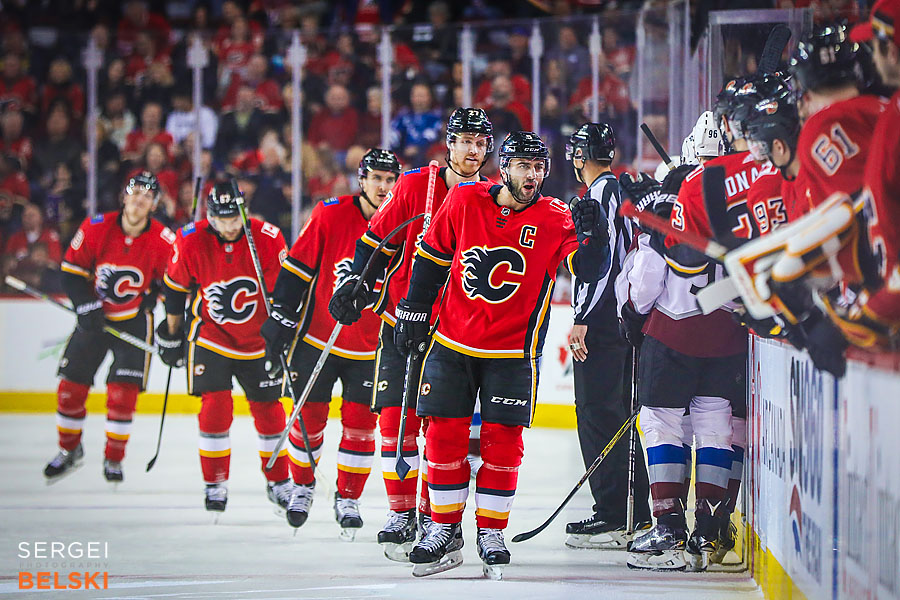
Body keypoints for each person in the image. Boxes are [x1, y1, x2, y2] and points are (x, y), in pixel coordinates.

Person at [395, 131, 610, 579]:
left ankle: (491, 531)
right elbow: (432, 257)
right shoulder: (465, 199)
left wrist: (595, 238)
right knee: (443, 437)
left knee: (503, 444)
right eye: (524, 167)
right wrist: (413, 310)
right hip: (451, 343)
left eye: (539, 168)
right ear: (504, 166)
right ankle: (442, 528)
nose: (532, 176)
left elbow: (584, 269)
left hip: (513, 353)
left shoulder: (557, 217)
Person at [328, 108, 494, 563]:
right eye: (465, 140)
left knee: (442, 427)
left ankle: (433, 516)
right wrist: (356, 286)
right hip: (400, 324)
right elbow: (377, 242)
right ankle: (400, 513)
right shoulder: (415, 184)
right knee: (393, 420)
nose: (472, 150)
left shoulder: (495, 197)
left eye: (481, 143)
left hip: (455, 333)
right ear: (450, 143)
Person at [619, 87, 764, 570]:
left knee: (662, 424)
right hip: (726, 339)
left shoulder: (676, 195)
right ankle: (709, 533)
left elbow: (647, 282)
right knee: (715, 428)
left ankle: (666, 529)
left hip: (672, 335)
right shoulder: (754, 189)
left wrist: (632, 315)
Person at [260, 149, 401, 537]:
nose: (384, 187)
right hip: (316, 340)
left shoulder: (404, 222)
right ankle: (302, 488)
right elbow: (297, 267)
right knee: (309, 420)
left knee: (360, 427)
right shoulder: (329, 213)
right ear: (362, 179)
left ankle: (348, 497)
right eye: (377, 178)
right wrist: (280, 315)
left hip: (372, 347)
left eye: (391, 180)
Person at [158, 181, 292, 514]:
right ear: (210, 216)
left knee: (270, 411)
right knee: (215, 409)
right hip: (211, 338)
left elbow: (287, 291)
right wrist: (173, 333)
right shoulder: (189, 239)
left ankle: (279, 482)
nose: (230, 226)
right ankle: (215, 483)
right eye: (222, 219)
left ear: (244, 213)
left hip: (259, 340)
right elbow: (175, 291)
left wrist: (283, 330)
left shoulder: (268, 237)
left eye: (235, 218)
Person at [43, 172, 174, 483]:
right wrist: (85, 304)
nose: (140, 198)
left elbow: (176, 283)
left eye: (148, 195)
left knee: (121, 394)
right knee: (70, 389)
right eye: (135, 191)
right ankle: (69, 450)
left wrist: (158, 295)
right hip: (95, 317)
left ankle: (114, 458)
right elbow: (72, 272)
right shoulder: (96, 226)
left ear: (153, 204)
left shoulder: (163, 239)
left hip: (133, 321)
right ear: (124, 196)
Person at [563, 122, 651, 548]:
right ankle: (634, 509)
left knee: (598, 414)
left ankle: (614, 512)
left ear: (580, 156)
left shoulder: (598, 195)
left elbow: (601, 265)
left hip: (601, 319)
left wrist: (582, 314)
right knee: (614, 412)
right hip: (622, 316)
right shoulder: (619, 191)